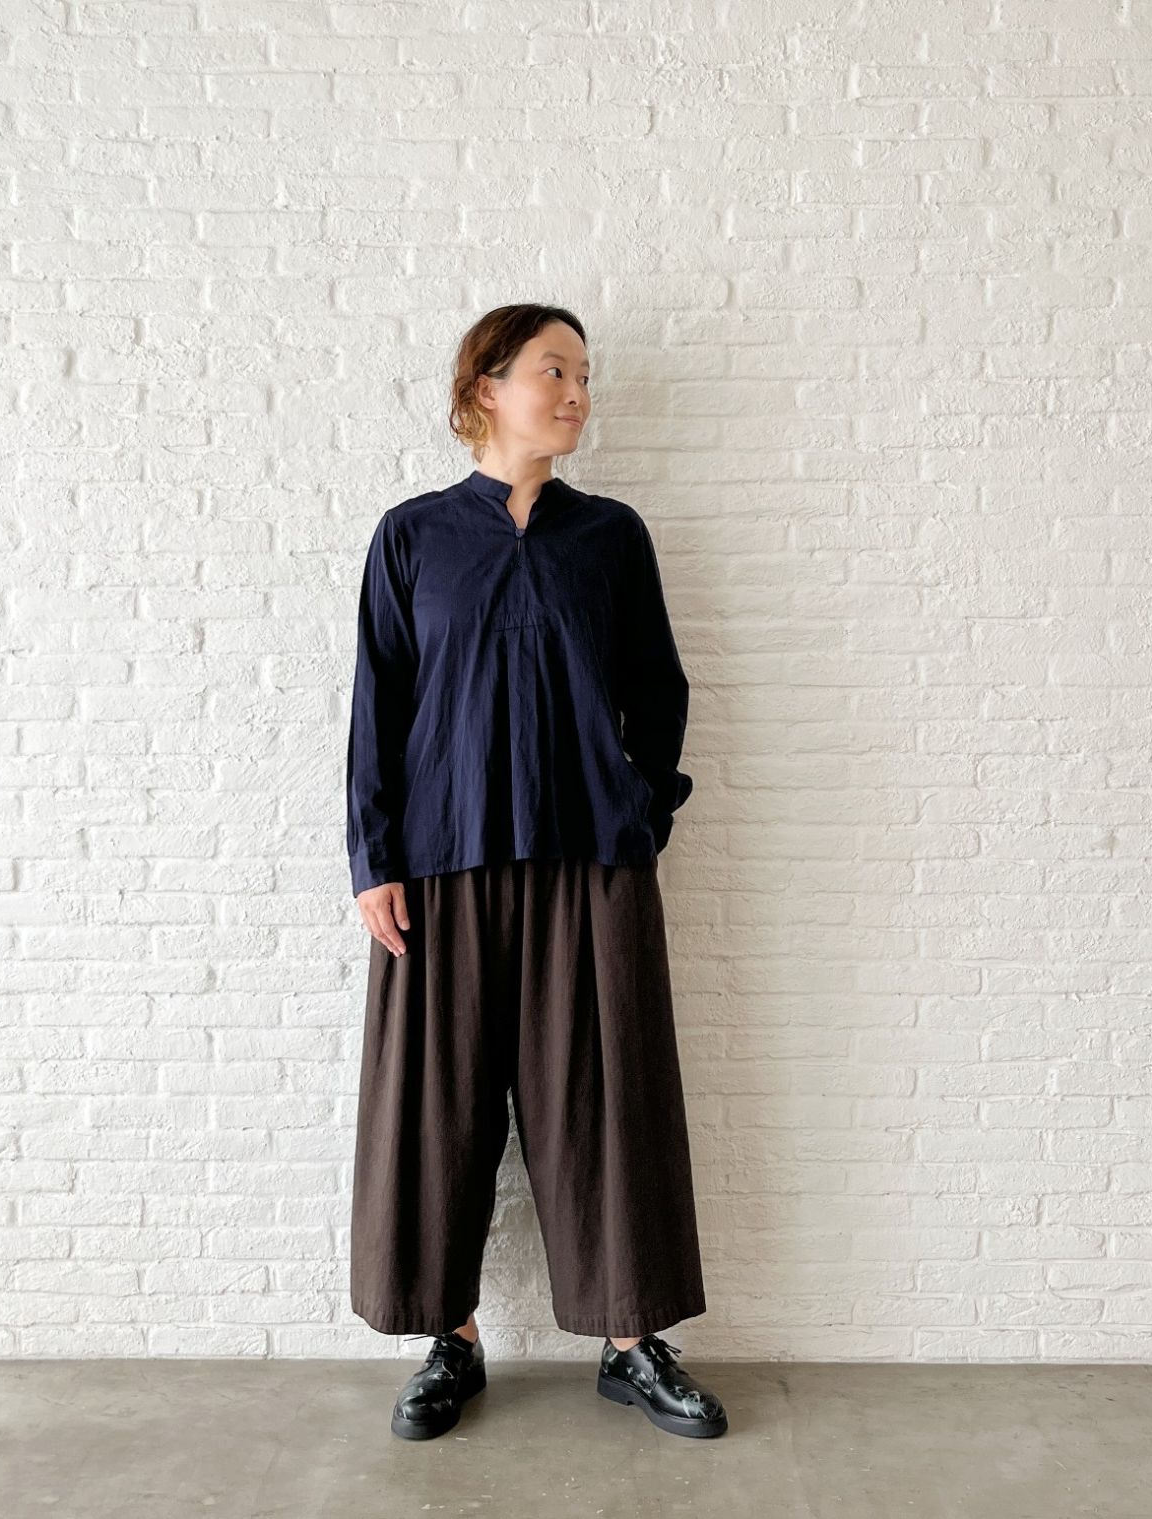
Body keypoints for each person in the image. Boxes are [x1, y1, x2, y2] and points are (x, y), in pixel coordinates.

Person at [345, 303, 727, 1442]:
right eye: (554, 371)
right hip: (441, 866)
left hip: (589, 861)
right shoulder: (412, 537)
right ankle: (449, 1337)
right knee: (435, 1106)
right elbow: (378, 706)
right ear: (487, 387)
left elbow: (657, 691)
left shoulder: (609, 537)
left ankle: (630, 1341)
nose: (576, 395)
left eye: (585, 376)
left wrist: (642, 811)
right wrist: (374, 858)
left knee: (605, 1102)